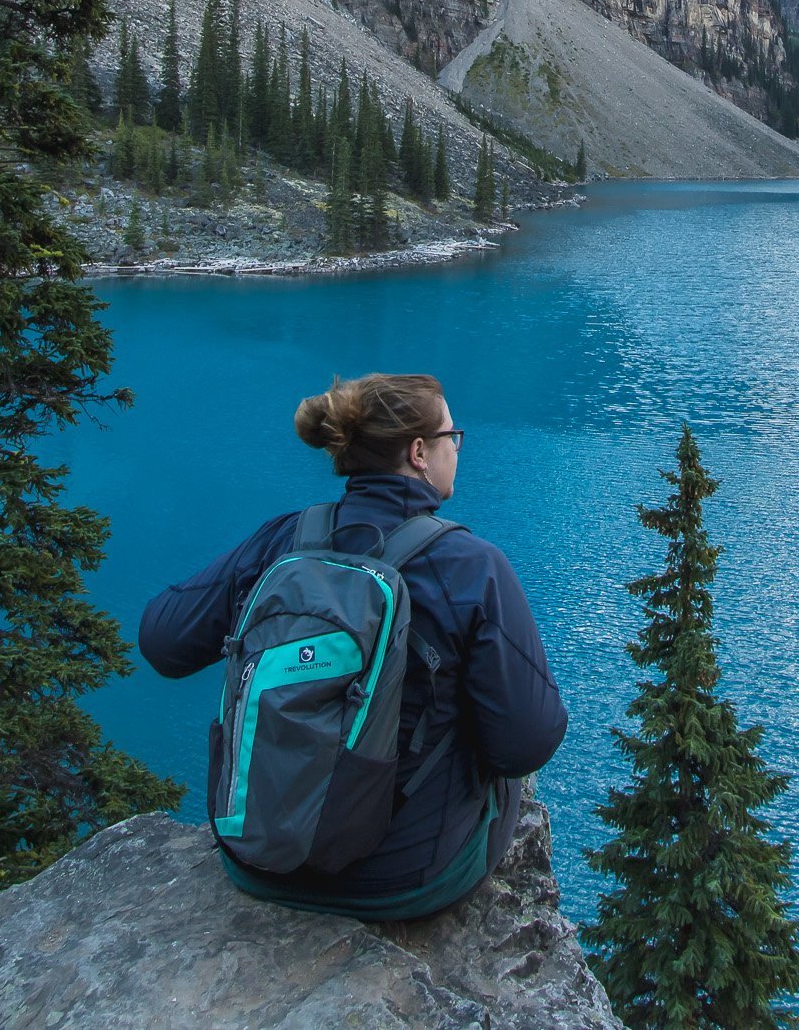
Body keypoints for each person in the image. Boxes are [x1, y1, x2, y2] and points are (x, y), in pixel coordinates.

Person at [138, 372, 568, 920]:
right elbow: (526, 744)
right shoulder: (472, 567)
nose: (456, 449)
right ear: (418, 453)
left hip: (257, 860)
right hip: (403, 879)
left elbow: (162, 640)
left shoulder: (284, 541)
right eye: (450, 436)